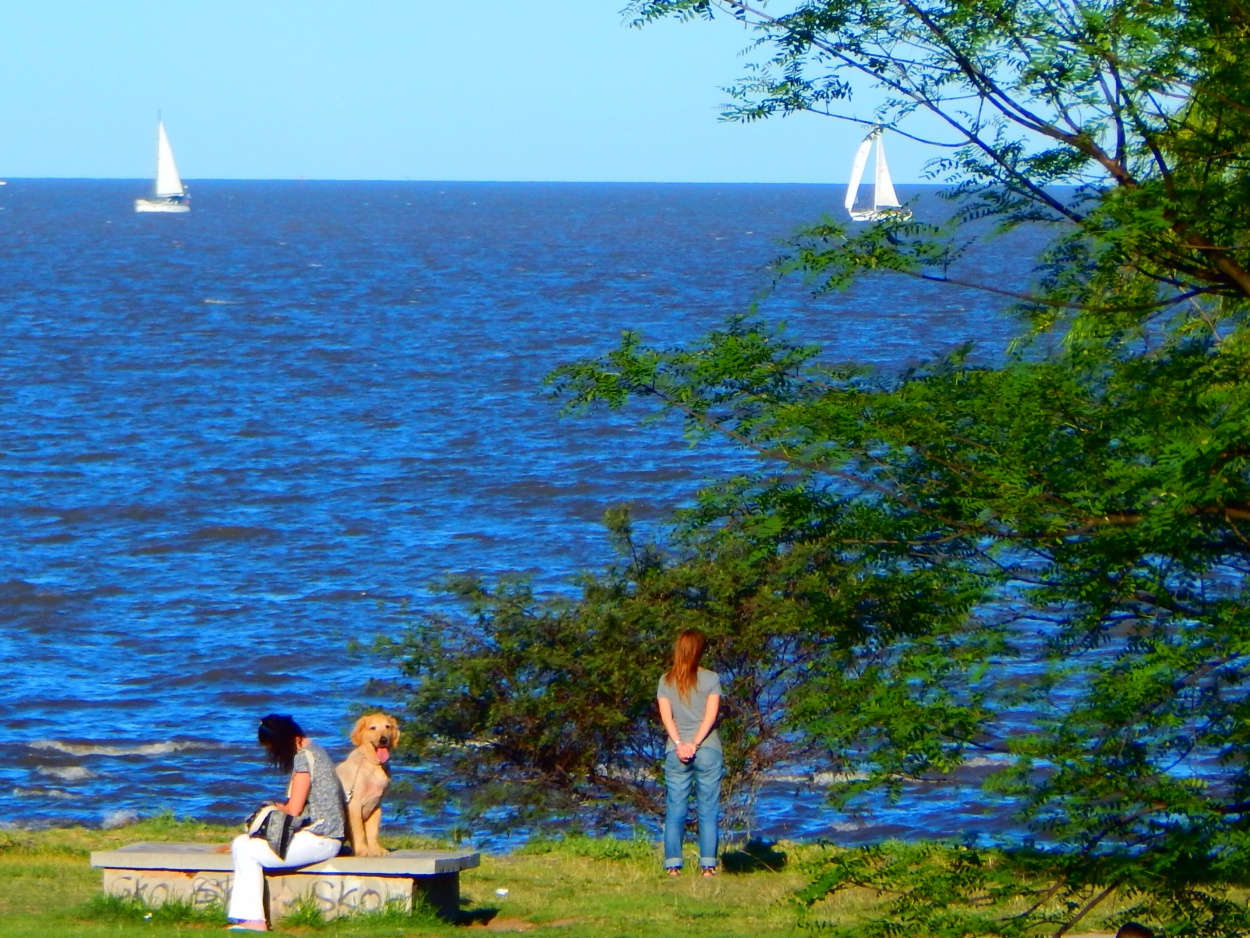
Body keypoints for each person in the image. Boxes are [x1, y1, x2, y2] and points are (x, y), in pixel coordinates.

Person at [226, 714, 346, 931]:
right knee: (242, 843)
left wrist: (270, 808)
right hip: (324, 835)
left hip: (320, 838)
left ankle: (254, 921)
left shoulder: (303, 759)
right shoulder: (317, 751)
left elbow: (294, 809)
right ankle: (246, 918)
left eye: (271, 747)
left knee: (246, 850)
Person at [657, 628, 723, 876]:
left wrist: (679, 743)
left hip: (675, 751)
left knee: (676, 808)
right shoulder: (711, 679)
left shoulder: (665, 680)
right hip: (707, 748)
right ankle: (708, 866)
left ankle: (673, 865)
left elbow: (667, 717)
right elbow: (710, 715)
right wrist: (695, 743)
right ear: (700, 650)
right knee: (708, 808)